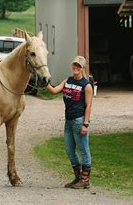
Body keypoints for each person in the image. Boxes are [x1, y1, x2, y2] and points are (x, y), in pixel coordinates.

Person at [46, 55, 93, 189]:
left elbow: (88, 105)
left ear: (83, 68)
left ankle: (85, 180)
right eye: (74, 65)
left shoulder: (86, 85)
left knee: (83, 150)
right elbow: (54, 91)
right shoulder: (68, 80)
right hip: (68, 121)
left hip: (79, 121)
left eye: (79, 66)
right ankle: (78, 177)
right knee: (69, 149)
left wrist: (85, 124)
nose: (76, 67)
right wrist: (44, 83)